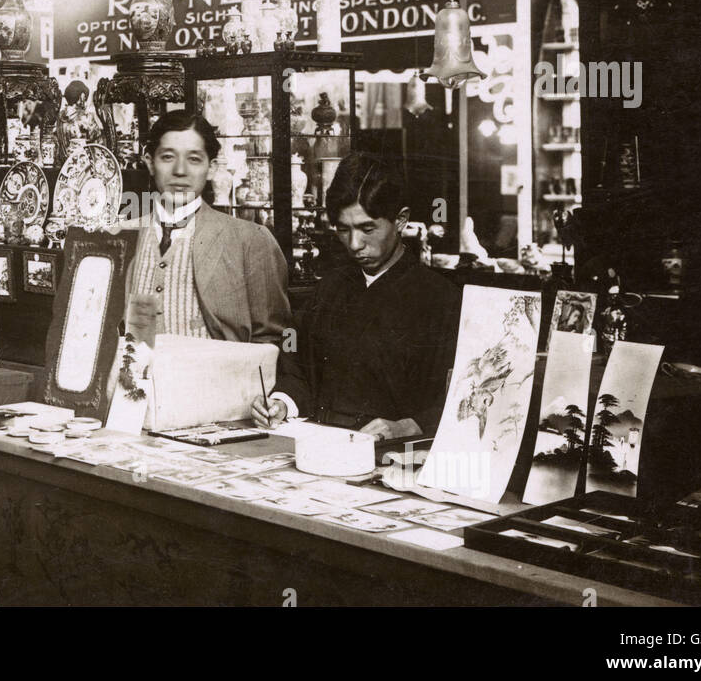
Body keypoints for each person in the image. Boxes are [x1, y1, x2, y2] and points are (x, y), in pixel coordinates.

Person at [253, 152, 461, 439]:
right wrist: (282, 403)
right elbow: (299, 371)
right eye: (343, 229)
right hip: (320, 444)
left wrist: (410, 426)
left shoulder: (442, 300)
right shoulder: (327, 289)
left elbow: (462, 400)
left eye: (367, 229)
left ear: (400, 220)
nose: (354, 244)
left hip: (396, 457)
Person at [125, 111, 290, 344]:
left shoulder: (250, 241)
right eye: (168, 157)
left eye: (194, 159)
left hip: (217, 378)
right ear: (150, 163)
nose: (180, 170)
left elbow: (273, 340)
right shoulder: (123, 235)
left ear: (212, 168)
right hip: (136, 378)